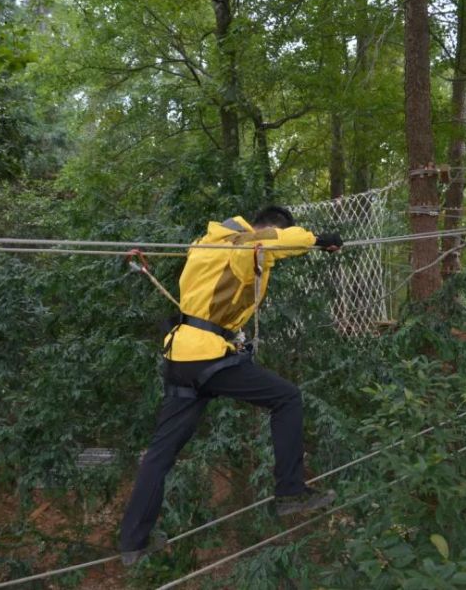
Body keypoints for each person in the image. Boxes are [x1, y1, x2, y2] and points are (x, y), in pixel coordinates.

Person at [118, 206, 342, 565]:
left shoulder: (206, 243)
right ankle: (290, 492)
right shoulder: (242, 244)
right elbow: (273, 242)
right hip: (208, 356)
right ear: (268, 227)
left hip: (182, 357)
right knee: (287, 398)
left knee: (161, 453)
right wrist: (317, 239)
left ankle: (132, 542)